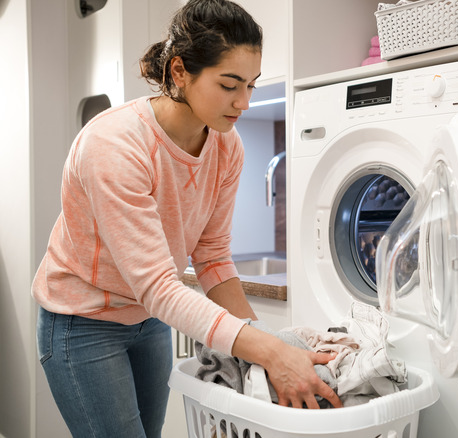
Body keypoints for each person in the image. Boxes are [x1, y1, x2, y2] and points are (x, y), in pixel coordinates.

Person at [32, 0, 342, 436]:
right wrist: (269, 350)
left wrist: (260, 344)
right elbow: (159, 286)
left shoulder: (226, 146)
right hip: (83, 324)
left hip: (147, 321)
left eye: (251, 85)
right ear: (179, 72)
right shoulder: (115, 145)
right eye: (230, 84)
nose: (245, 103)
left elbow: (212, 255)